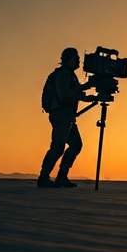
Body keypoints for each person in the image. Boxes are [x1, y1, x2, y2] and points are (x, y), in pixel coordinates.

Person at [37, 48, 96, 188]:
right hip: (61, 115)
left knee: (76, 145)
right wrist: (84, 97)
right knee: (58, 146)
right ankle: (43, 177)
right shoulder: (64, 74)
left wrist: (88, 86)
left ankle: (62, 176)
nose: (79, 61)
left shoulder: (69, 74)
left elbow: (75, 90)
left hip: (67, 116)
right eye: (76, 58)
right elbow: (63, 94)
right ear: (69, 59)